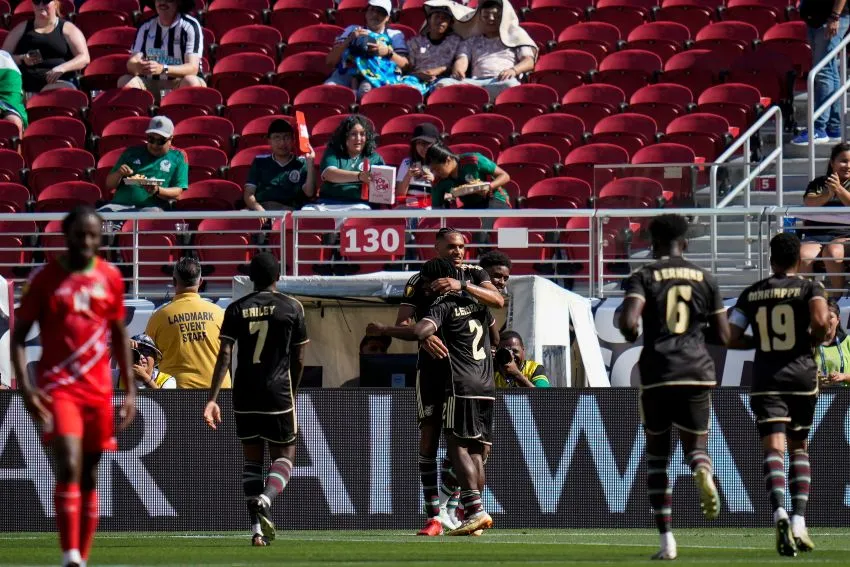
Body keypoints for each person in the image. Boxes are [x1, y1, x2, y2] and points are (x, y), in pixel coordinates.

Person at [10, 206, 135, 567]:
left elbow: (118, 333)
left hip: (97, 390)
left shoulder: (109, 277)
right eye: (80, 234)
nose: (86, 241)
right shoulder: (44, 279)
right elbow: (18, 338)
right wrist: (27, 389)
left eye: (93, 235)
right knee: (67, 463)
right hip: (59, 388)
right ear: (66, 237)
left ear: (101, 239)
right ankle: (70, 556)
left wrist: (129, 391)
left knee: (91, 472)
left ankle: (82, 555)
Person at [618, 213, 730, 561]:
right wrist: (697, 335)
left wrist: (632, 332)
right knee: (696, 443)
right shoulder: (705, 278)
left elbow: (628, 320)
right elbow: (724, 335)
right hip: (696, 369)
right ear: (684, 243)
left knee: (657, 454)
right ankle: (701, 467)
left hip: (657, 371)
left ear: (653, 244)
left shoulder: (644, 276)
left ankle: (667, 542)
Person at [367, 257, 497, 537]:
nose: (424, 287)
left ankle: (474, 511)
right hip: (486, 385)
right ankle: (469, 516)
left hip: (459, 384)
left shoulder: (443, 305)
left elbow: (418, 330)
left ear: (437, 282)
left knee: (456, 447)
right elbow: (494, 334)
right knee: (476, 451)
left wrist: (383, 329)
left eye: (427, 282)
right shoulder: (481, 305)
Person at [396, 227, 504, 535]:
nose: (458, 251)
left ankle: (453, 508)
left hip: (465, 373)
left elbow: (496, 300)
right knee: (431, 438)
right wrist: (424, 337)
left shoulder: (474, 274)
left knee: (471, 447)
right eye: (451, 246)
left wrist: (462, 285)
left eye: (461, 246)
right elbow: (404, 322)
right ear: (437, 247)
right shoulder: (420, 280)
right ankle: (434, 516)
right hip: (434, 371)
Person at [728, 232, 830, 556]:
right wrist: (815, 337)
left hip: (767, 376)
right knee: (799, 447)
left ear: (770, 260)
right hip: (801, 376)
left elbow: (729, 336)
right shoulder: (811, 288)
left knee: (774, 448)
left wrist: (758, 342)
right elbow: (819, 322)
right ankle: (799, 520)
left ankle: (779, 513)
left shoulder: (753, 293)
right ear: (799, 259)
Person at [204, 253, 309, 547]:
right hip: (277, 391)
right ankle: (266, 498)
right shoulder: (292, 307)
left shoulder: (236, 309)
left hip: (243, 393)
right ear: (278, 277)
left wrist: (213, 398)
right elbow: (300, 357)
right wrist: (294, 390)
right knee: (285, 455)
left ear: (251, 278)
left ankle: (257, 531)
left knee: (252, 460)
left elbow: (225, 354)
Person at [145, 257, 231, 389]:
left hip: (178, 394)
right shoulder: (219, 313)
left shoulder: (159, 317)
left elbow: (147, 356)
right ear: (201, 281)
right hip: (217, 393)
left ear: (174, 281)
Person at [435, 0, 537, 101]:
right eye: (486, 16)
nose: (491, 19)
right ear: (480, 18)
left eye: (496, 16)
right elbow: (462, 58)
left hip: (500, 81)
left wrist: (514, 70)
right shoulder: (472, 40)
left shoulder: (515, 37)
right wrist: (459, 70)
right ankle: (480, 95)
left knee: (510, 86)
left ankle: (476, 96)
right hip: (475, 82)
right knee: (443, 84)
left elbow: (528, 61)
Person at [324, 0, 410, 100]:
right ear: (366, 12)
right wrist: (349, 40)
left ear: (388, 18)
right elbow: (330, 62)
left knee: (366, 92)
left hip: (379, 74)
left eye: (380, 12)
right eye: (372, 10)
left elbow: (406, 66)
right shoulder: (352, 29)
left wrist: (388, 52)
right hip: (347, 73)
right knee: (328, 89)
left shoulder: (394, 35)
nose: (375, 14)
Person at [101, 116, 189, 212]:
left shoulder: (178, 156)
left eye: (160, 141)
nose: (155, 145)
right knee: (99, 217)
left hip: (150, 207)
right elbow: (109, 184)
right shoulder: (132, 152)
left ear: (170, 139)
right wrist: (119, 173)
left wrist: (157, 190)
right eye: (151, 139)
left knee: (149, 216)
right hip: (119, 205)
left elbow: (178, 192)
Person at [2, 0, 89, 93]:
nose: (40, 5)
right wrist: (22, 58)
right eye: (36, 1)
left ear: (55, 4)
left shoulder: (67, 29)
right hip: (26, 86)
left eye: (46, 1)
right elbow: (3, 57)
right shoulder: (21, 28)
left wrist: (62, 68)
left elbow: (84, 57)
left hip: (59, 84)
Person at [119, 0, 205, 94]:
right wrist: (138, 66)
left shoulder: (189, 26)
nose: (162, 2)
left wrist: (163, 69)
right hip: (150, 83)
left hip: (179, 83)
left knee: (191, 82)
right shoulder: (145, 27)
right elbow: (131, 64)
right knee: (124, 81)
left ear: (179, 2)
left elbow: (193, 68)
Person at [794, 0, 849, 144]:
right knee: (830, 69)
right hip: (816, 18)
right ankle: (833, 125)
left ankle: (818, 127)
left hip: (831, 18)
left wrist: (835, 16)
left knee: (823, 72)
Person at [799, 142, 850, 294]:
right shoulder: (819, 183)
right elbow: (809, 202)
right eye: (843, 161)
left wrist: (839, 190)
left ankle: (837, 298)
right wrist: (827, 194)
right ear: (832, 163)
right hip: (816, 235)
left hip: (845, 235)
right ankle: (806, 301)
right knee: (804, 256)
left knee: (833, 252)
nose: (847, 165)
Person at [311, 114, 385, 210]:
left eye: (362, 134)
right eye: (353, 134)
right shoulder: (333, 152)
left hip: (360, 205)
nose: (358, 138)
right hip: (329, 202)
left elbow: (383, 188)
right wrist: (360, 176)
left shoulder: (375, 158)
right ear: (345, 136)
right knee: (306, 211)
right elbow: (329, 174)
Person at [243, 119, 317, 212]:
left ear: (293, 140)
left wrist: (310, 163)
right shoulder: (260, 162)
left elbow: (309, 193)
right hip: (262, 208)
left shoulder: (301, 162)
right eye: (277, 137)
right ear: (269, 141)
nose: (282, 142)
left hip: (290, 212)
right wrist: (258, 209)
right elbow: (249, 193)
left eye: (286, 137)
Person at [426, 144, 511, 209]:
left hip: (494, 199)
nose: (435, 173)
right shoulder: (439, 181)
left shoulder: (472, 161)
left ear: (448, 160)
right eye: (432, 170)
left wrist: (489, 187)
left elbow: (505, 176)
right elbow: (436, 209)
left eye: (437, 169)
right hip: (470, 207)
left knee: (479, 228)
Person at [404, 4, 463, 94]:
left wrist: (441, 69)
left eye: (444, 18)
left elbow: (459, 66)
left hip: (443, 80)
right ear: (429, 20)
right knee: (405, 88)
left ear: (450, 23)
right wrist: (420, 75)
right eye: (436, 17)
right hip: (417, 78)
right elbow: (408, 68)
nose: (440, 21)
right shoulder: (415, 42)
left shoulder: (456, 41)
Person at [396, 123, 439, 206]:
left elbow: (448, 195)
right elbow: (399, 195)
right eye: (419, 143)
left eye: (427, 143)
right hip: (411, 206)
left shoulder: (442, 164)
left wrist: (434, 181)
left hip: (433, 207)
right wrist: (408, 176)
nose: (422, 147)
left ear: (436, 144)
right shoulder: (407, 163)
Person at [815, 298, 850, 386]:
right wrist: (815, 379)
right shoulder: (810, 344)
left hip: (844, 397)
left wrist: (844, 376)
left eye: (830, 317)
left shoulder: (847, 341)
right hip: (817, 397)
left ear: (838, 320)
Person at [0, 50, 28, 136]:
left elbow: (12, 96)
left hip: (4, 104)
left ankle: (15, 149)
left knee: (14, 122)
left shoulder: (5, 60)